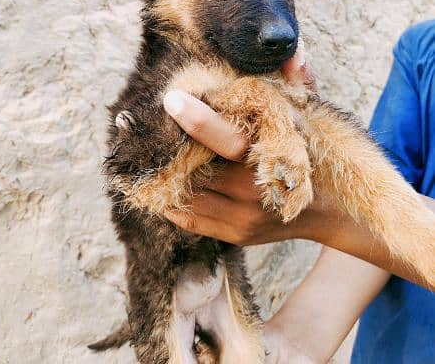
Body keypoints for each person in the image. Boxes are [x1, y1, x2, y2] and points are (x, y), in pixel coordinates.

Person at [162, 21, 435, 363]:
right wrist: (293, 343)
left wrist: (327, 211)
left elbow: (368, 210)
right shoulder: (425, 51)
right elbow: (391, 191)